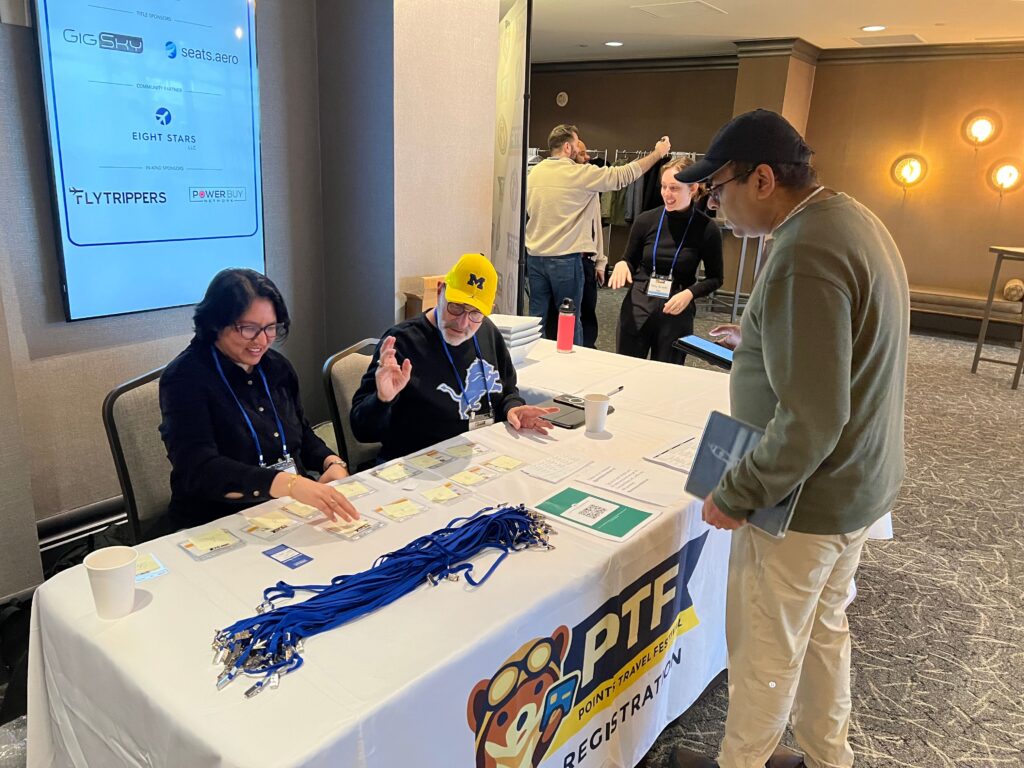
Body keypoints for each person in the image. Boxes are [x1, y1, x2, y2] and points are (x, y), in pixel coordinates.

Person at [668, 110, 909, 768]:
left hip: (802, 503)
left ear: (764, 178)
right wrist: (765, 340)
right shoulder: (848, 217)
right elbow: (846, 345)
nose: (714, 206)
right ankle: (831, 758)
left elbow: (810, 421)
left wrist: (739, 491)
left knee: (764, 664)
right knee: (824, 632)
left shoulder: (804, 249)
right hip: (854, 487)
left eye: (717, 190)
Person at [159, 269, 359, 531]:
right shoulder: (185, 379)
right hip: (218, 520)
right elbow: (200, 468)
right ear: (215, 323)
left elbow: (302, 434)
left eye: (270, 328)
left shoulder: (277, 367)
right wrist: (289, 484)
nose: (262, 341)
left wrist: (331, 462)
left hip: (287, 512)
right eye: (248, 329)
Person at [350, 254, 557, 462]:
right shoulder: (401, 343)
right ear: (441, 291)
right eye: (456, 307)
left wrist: (513, 408)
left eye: (475, 313)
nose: (462, 323)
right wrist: (382, 400)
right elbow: (362, 431)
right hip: (418, 466)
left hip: (478, 458)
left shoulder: (487, 332)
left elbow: (507, 392)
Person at [526, 124, 672, 345]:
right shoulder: (578, 174)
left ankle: (534, 367)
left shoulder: (533, 174)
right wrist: (657, 154)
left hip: (535, 259)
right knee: (569, 321)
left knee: (537, 322)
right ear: (567, 147)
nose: (581, 151)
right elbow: (624, 174)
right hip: (565, 260)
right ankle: (569, 368)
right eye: (577, 144)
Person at [609, 156, 723, 364]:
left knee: (667, 377)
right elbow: (629, 259)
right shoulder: (646, 220)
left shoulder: (707, 228)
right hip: (639, 304)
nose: (667, 194)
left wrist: (690, 293)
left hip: (677, 307)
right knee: (625, 370)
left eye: (674, 188)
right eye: (664, 187)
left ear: (693, 188)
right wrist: (622, 264)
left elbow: (716, 278)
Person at [576, 140, 608, 349]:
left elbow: (596, 225)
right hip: (568, 260)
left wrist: (600, 261)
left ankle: (588, 352)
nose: (588, 157)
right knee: (569, 315)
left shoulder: (592, 184)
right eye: (582, 153)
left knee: (588, 314)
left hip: (588, 260)